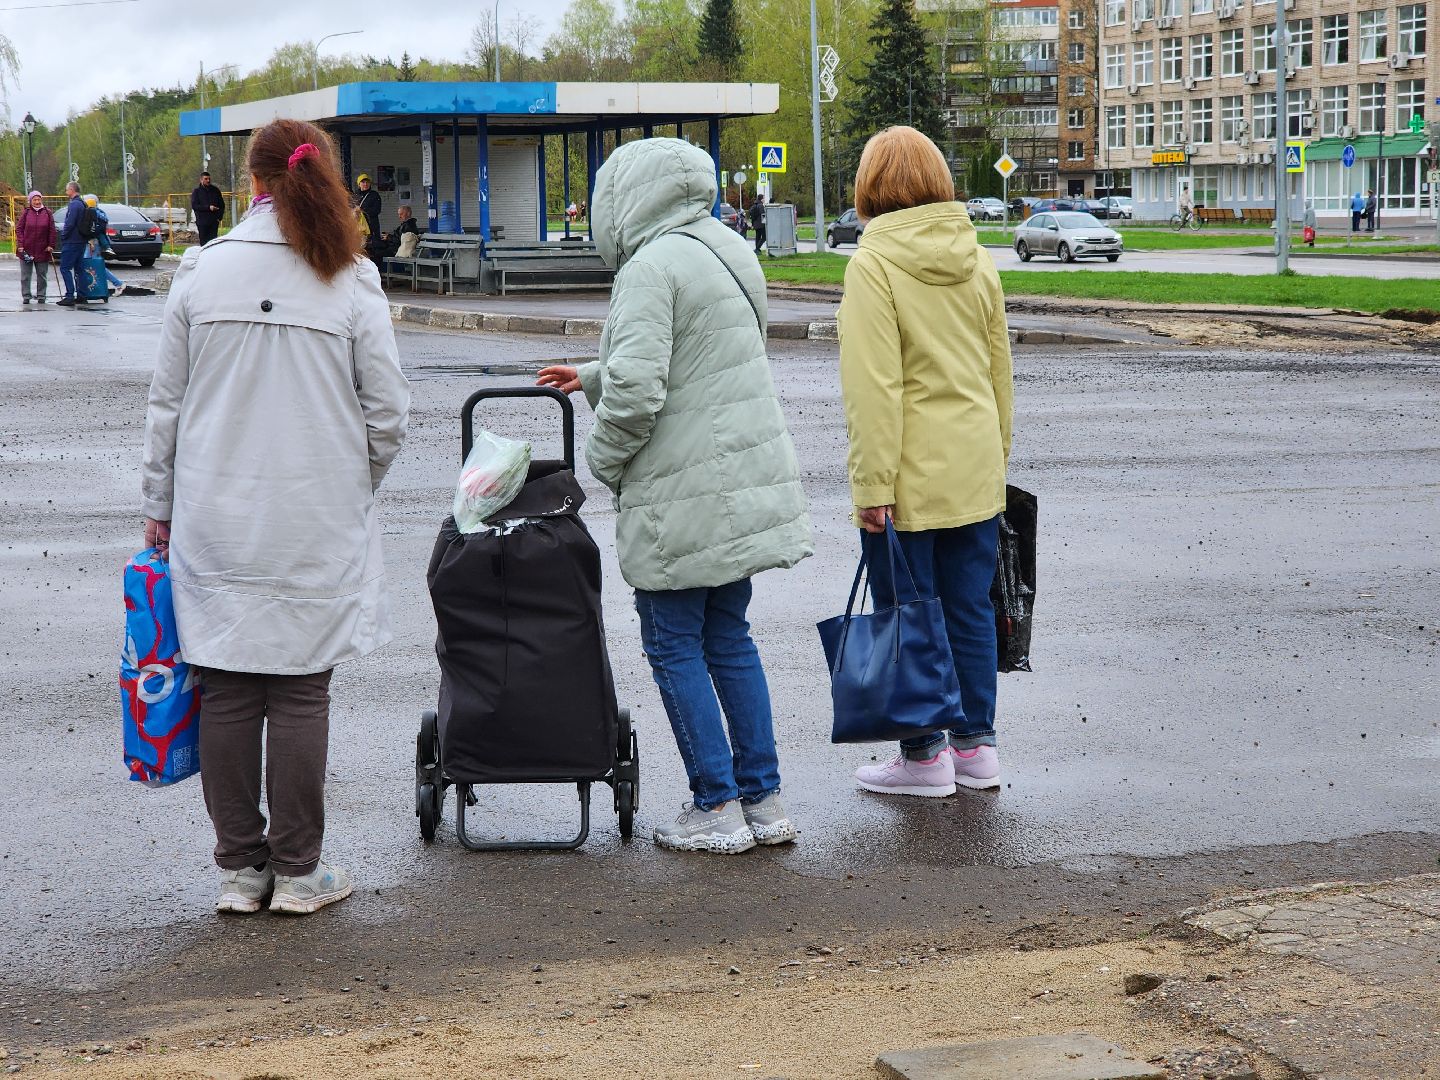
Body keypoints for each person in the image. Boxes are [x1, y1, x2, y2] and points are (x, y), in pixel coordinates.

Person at [141, 118, 410, 916]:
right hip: (314, 518)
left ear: (250, 182)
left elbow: (167, 409)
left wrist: (159, 507)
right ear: (319, 176)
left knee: (224, 691)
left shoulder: (201, 273)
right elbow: (388, 414)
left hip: (211, 517)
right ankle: (298, 873)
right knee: (299, 692)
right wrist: (348, 481)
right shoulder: (350, 277)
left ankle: (238, 871)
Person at [535, 138, 812, 855]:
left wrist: (601, 465)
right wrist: (592, 374)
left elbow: (638, 394)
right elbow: (698, 354)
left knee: (673, 642)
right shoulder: (725, 247)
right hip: (734, 482)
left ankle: (714, 806)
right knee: (730, 638)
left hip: (683, 490)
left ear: (624, 200)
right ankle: (764, 800)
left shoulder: (648, 266)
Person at [838, 126, 1013, 798]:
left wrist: (872, 485)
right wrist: (994, 457)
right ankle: (977, 750)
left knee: (910, 613)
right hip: (974, 468)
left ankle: (922, 758)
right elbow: (1000, 373)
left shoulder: (872, 265)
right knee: (969, 609)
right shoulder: (978, 257)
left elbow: (875, 388)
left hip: (906, 479)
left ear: (872, 187)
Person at [16, 191, 56, 306]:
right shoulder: (26, 212)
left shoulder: (47, 213)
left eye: (39, 199)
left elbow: (52, 231)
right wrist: (21, 245)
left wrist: (51, 245)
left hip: (42, 249)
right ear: (30, 201)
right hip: (26, 249)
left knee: (42, 275)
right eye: (35, 200)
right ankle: (26, 296)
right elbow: (19, 229)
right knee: (25, 275)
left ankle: (41, 296)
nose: (37, 202)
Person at [83, 195, 127, 296]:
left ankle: (115, 284)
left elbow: (92, 230)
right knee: (94, 265)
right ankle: (115, 284)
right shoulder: (101, 213)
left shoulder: (93, 213)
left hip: (93, 242)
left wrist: (90, 240)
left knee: (91, 264)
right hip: (96, 242)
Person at [57, 182, 88, 307]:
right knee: (79, 269)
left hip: (72, 241)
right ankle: (82, 295)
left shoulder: (74, 205)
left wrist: (63, 236)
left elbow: (70, 223)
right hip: (81, 240)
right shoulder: (82, 203)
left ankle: (69, 296)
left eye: (66, 190)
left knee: (65, 268)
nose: (66, 192)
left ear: (71, 190)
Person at [355, 172, 383, 267]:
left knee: (373, 250)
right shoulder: (355, 196)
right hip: (358, 229)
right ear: (359, 184)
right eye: (363, 182)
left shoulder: (374, 195)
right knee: (359, 250)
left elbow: (376, 210)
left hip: (372, 227)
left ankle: (376, 270)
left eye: (367, 182)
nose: (365, 184)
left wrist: (362, 211)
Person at [190, 171, 225, 245]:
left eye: (209, 179)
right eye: (206, 179)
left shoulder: (215, 190)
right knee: (204, 243)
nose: (208, 181)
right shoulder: (196, 192)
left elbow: (222, 205)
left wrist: (219, 217)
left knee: (213, 243)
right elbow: (195, 206)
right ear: (201, 180)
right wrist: (208, 208)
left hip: (214, 222)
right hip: (202, 222)